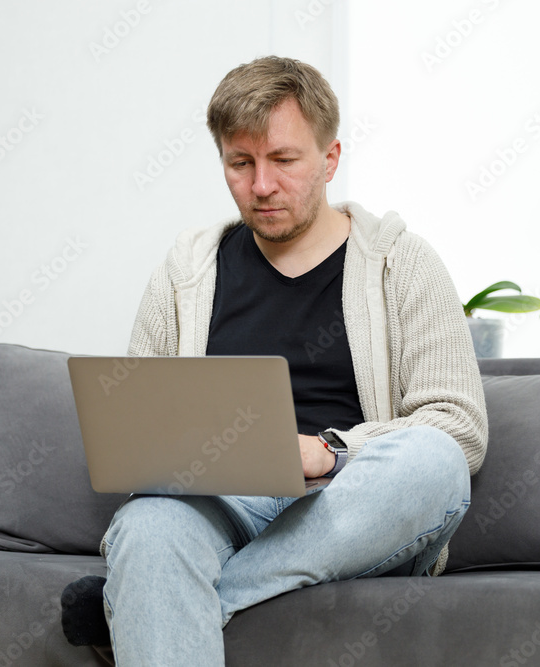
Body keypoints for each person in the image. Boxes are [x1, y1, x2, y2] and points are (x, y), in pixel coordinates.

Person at [61, 55, 487, 665]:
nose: (261, 186)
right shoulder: (187, 271)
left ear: (330, 158)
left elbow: (461, 428)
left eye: (283, 160)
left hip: (351, 502)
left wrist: (329, 449)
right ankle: (158, 588)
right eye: (241, 163)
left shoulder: (402, 263)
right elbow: (138, 425)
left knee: (435, 460)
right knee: (150, 529)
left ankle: (149, 603)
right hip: (223, 503)